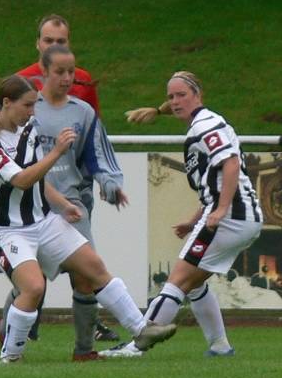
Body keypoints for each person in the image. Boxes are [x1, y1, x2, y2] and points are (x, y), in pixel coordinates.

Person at [0, 75, 177, 364]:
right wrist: (57, 152)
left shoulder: (28, 127)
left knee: (93, 267)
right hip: (7, 229)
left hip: (43, 220)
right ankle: (11, 357)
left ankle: (141, 330)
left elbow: (38, 177)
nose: (32, 112)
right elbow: (21, 179)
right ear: (6, 103)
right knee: (33, 288)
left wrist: (63, 205)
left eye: (35, 105)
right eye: (27, 105)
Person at [100, 71, 263, 359]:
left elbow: (231, 163)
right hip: (241, 217)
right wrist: (195, 219)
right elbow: (215, 183)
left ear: (198, 95)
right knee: (195, 284)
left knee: (177, 280)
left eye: (181, 95)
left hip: (231, 217)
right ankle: (220, 346)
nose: (175, 101)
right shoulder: (204, 124)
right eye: (171, 96)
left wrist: (221, 210)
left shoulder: (205, 125)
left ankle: (136, 346)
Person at [4, 14, 120, 345]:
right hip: (33, 194)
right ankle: (17, 326)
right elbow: (5, 134)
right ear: (37, 44)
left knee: (85, 270)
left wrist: (101, 178)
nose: (54, 46)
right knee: (35, 274)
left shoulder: (82, 81)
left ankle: (86, 342)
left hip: (75, 192)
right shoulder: (21, 82)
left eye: (61, 41)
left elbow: (92, 133)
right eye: (49, 41)